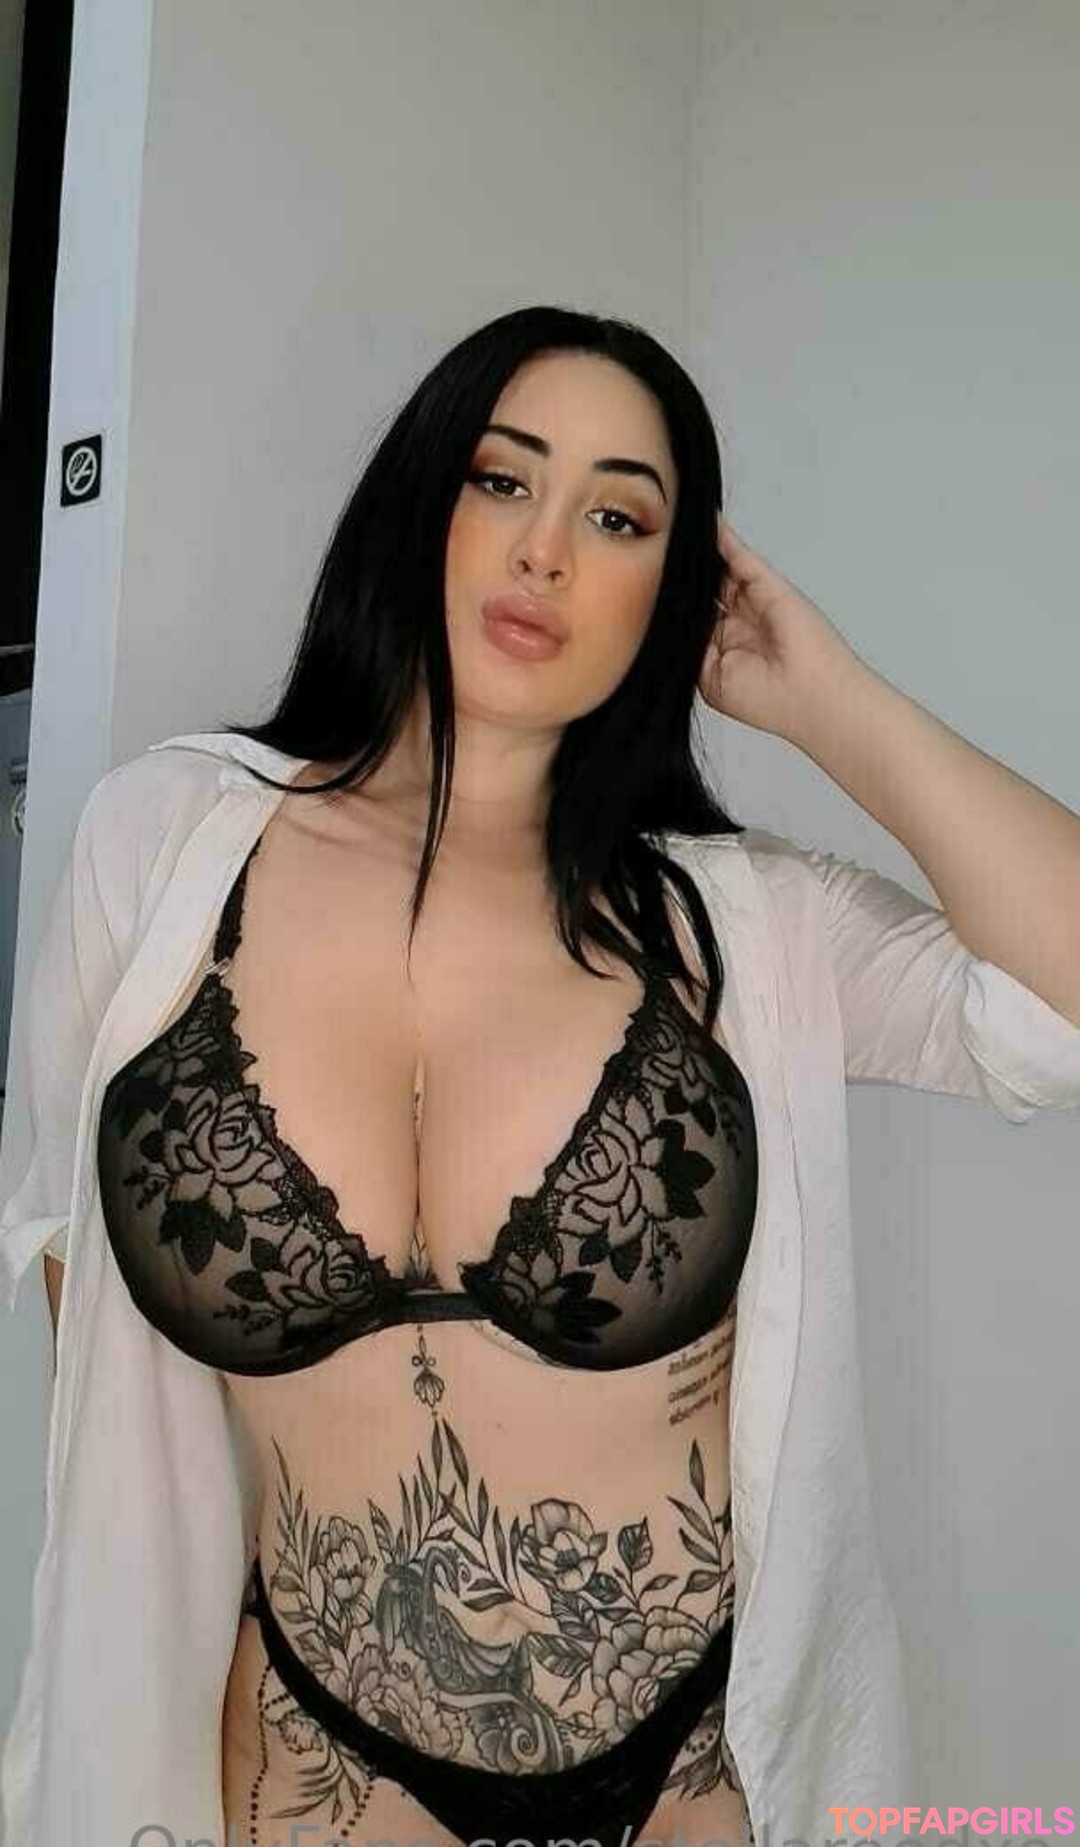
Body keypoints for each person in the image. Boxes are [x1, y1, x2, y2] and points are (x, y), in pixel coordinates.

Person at [6, 304, 1080, 1847]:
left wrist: (831, 701)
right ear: (417, 501)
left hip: (689, 1785)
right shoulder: (163, 839)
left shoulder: (738, 924)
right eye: (503, 481)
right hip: (313, 1768)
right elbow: (74, 1268)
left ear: (677, 590)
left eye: (618, 517)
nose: (546, 552)